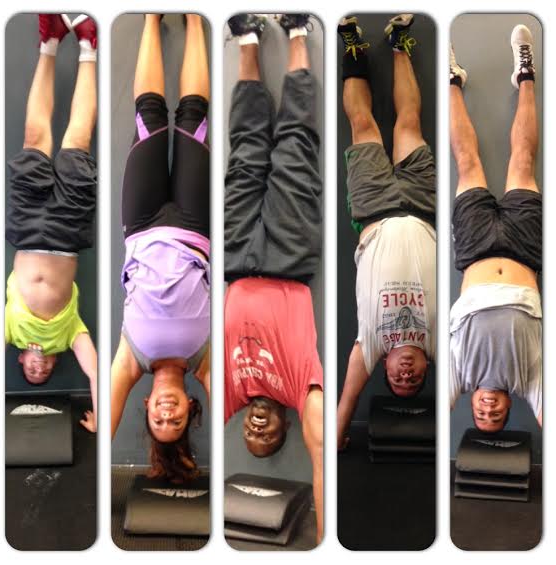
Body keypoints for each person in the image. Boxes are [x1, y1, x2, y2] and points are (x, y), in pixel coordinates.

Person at [223, 14, 324, 543]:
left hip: (237, 255)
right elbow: (321, 445)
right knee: (296, 145)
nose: (257, 429)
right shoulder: (297, 389)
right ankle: (300, 31)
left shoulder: (232, 391)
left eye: (251, 436)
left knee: (245, 152)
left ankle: (247, 37)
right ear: (285, 425)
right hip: (289, 255)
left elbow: (181, 401)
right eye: (268, 436)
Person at [110, 14, 211, 483]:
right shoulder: (203, 360)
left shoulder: (130, 362)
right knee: (193, 115)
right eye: (177, 421)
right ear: (192, 408)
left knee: (149, 114)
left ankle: (151, 14)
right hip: (195, 225)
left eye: (158, 421)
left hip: (143, 221)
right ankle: (195, 17)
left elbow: (104, 427)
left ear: (146, 406)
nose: (167, 416)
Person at [335, 15, 436, 450]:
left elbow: (349, 396)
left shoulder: (370, 347)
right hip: (420, 206)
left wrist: (337, 436)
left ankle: (351, 43)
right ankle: (399, 43)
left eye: (398, 382)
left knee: (363, 124)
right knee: (409, 122)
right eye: (414, 383)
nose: (406, 377)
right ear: (428, 370)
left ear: (386, 369)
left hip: (374, 210)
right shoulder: (440, 340)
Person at [5, 13, 98, 432]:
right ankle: (88, 48)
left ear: (21, 359)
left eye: (31, 372)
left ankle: (49, 41)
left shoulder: (8, 330)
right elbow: (96, 370)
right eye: (43, 374)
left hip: (25, 231)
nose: (39, 370)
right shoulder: (69, 334)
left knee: (32, 137)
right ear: (54, 361)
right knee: (77, 142)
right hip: (65, 234)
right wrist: (100, 416)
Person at [449, 26, 542, 433]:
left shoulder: (460, 376)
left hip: (474, 249)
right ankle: (526, 72)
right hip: (524, 249)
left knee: (467, 162)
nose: (489, 408)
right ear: (508, 406)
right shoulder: (529, 382)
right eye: (497, 415)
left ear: (469, 404)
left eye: (480, 414)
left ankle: (452, 78)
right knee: (522, 161)